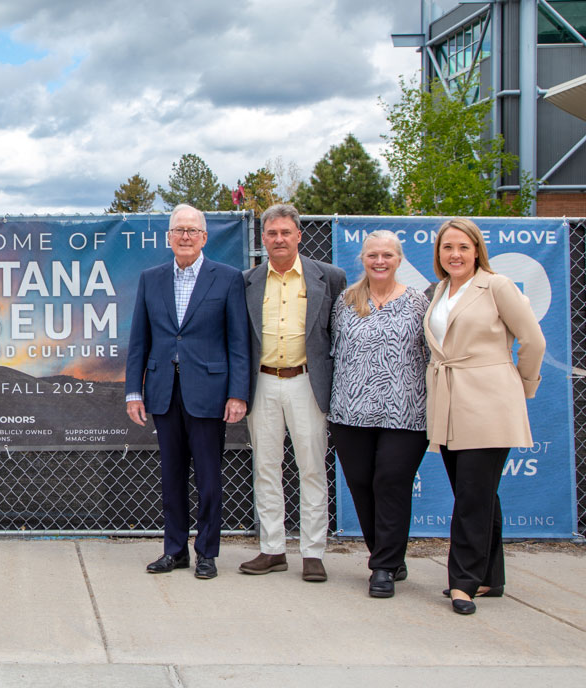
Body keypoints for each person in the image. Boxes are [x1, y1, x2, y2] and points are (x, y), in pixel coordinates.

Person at [424, 218, 544, 615]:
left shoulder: (496, 286)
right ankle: (491, 576)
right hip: (451, 402)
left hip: (490, 403)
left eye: (463, 247)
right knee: (476, 495)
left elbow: (533, 340)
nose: (455, 254)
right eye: (447, 248)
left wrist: (520, 387)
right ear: (439, 254)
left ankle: (463, 583)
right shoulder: (441, 291)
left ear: (477, 251)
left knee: (472, 499)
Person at [125, 205, 250, 579]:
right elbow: (139, 341)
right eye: (178, 230)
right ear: (168, 237)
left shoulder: (227, 278)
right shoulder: (151, 279)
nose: (185, 236)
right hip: (164, 392)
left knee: (209, 477)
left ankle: (207, 552)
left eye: (192, 230)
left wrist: (237, 393)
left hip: (210, 393)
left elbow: (238, 342)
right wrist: (134, 391)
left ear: (204, 238)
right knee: (172, 477)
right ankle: (174, 550)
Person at [241, 203, 346, 582]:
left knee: (312, 467)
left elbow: (339, 335)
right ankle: (272, 549)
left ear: (299, 235)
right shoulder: (248, 281)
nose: (279, 239)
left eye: (286, 232)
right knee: (266, 467)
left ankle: (313, 552)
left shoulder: (329, 278)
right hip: (263, 382)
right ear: (263, 238)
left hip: (308, 381)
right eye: (272, 233)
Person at [328, 231, 429, 598]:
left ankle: (383, 567)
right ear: (363, 259)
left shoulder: (419, 303)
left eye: (387, 254)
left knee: (391, 482)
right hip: (350, 412)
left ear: (399, 259)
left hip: (405, 412)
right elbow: (333, 350)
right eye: (373, 255)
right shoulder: (345, 301)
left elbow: (431, 355)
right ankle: (388, 554)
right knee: (362, 485)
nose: (380, 261)